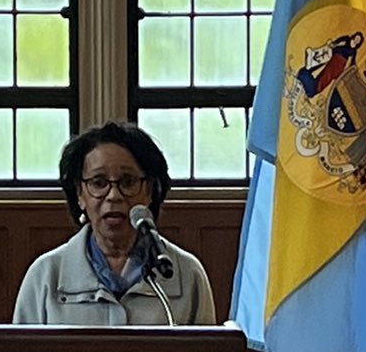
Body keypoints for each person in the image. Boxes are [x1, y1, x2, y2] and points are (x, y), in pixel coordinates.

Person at [13, 121, 216, 326]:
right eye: (98, 183)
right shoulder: (45, 274)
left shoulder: (187, 272)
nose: (113, 196)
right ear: (80, 194)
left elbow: (207, 346)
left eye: (128, 182)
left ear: (149, 191)